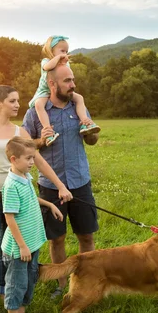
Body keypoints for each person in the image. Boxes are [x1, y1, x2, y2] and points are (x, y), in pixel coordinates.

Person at [0, 84, 72, 304]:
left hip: (16, 200)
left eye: (18, 101)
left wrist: (60, 185)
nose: (18, 105)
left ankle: (6, 295)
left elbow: (39, 162)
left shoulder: (19, 132)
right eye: (12, 101)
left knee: (12, 253)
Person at [22, 63, 100, 299]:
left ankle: (86, 282)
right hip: (50, 186)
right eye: (67, 81)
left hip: (80, 182)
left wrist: (92, 132)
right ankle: (61, 284)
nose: (72, 84)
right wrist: (40, 141)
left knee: (86, 235)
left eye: (73, 80)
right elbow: (26, 145)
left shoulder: (78, 107)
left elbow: (92, 141)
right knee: (57, 239)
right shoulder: (35, 112)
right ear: (52, 84)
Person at [1, 136, 64, 313]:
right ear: (13, 159)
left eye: (33, 157)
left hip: (31, 243)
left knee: (27, 283)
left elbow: (30, 198)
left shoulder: (25, 177)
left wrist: (50, 204)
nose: (32, 162)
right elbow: (9, 218)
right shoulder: (11, 185)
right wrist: (22, 246)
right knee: (16, 286)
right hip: (19, 249)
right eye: (28, 158)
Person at [28, 35, 100, 146]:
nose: (65, 54)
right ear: (51, 50)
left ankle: (85, 122)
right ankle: (48, 131)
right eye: (62, 51)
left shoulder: (66, 64)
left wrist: (90, 134)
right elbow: (48, 67)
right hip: (44, 91)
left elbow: (93, 141)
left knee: (80, 98)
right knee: (38, 105)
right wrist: (58, 59)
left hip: (77, 163)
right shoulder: (46, 61)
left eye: (66, 51)